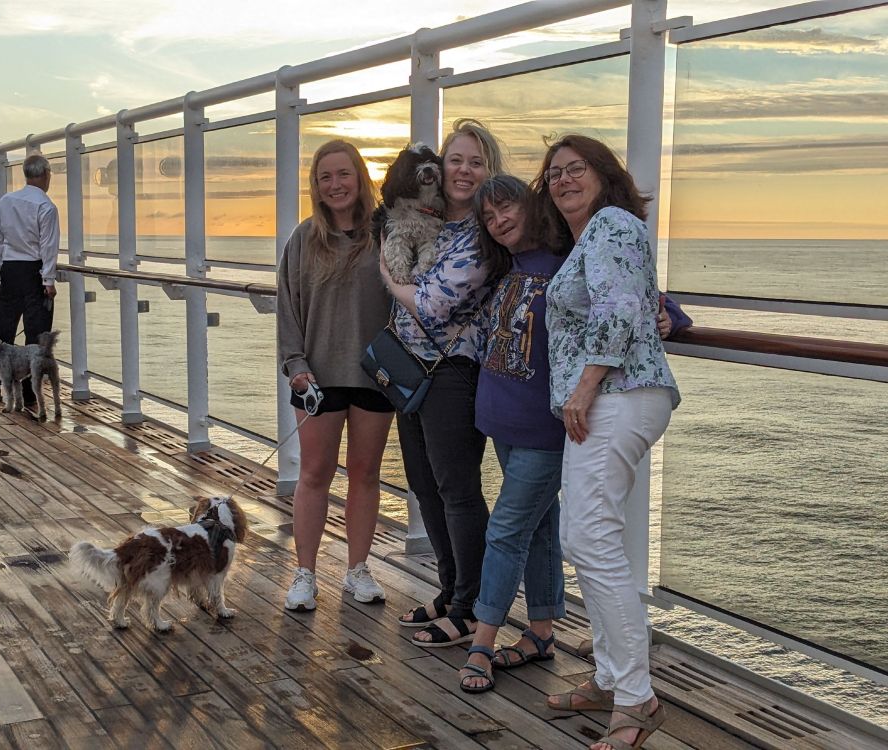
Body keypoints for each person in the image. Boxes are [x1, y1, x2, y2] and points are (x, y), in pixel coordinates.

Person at [457, 175, 690, 695]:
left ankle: (482, 641)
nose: (499, 222)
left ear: (530, 206)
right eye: (489, 218)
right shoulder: (504, 267)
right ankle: (542, 631)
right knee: (541, 530)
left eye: (507, 208)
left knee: (507, 529)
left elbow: (634, 295)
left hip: (549, 425)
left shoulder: (570, 254)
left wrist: (668, 315)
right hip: (501, 418)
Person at [540, 135, 680, 750]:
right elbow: (637, 301)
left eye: (577, 169)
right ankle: (610, 675)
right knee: (590, 537)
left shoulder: (614, 224)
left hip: (618, 395)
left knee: (588, 536)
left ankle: (637, 698)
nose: (564, 180)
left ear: (605, 176)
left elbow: (622, 306)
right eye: (554, 174)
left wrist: (586, 384)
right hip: (606, 399)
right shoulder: (589, 239)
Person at [379, 119, 507, 647]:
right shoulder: (425, 220)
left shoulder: (482, 233)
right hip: (410, 368)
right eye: (456, 159)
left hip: (454, 373)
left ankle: (472, 608)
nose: (462, 170)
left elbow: (432, 303)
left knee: (457, 490)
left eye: (476, 162)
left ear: (489, 173)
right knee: (423, 484)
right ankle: (450, 589)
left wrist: (388, 277)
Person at [277, 140, 395, 612]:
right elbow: (288, 308)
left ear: (360, 177)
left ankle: (357, 570)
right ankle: (304, 574)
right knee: (314, 474)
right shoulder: (304, 239)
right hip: (318, 376)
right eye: (325, 177)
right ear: (316, 186)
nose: (335, 184)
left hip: (376, 375)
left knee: (365, 475)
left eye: (343, 174)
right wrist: (295, 365)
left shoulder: (385, 234)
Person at [0, 153, 59, 406]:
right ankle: (29, 393)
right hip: (34, 272)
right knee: (36, 335)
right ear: (46, 174)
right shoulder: (46, 207)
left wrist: (0, 265)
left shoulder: (6, 200)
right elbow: (48, 247)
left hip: (9, 269)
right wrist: (48, 280)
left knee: (2, 331)